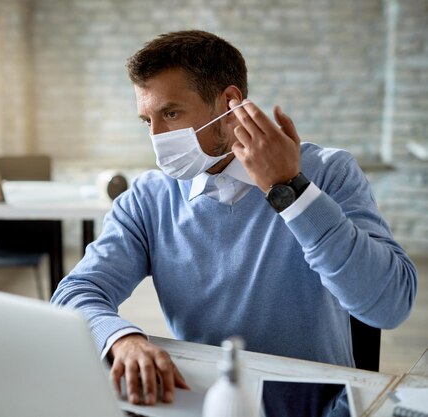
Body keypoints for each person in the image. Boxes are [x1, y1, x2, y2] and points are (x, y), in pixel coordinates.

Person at [50, 30, 417, 409]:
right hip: (206, 403)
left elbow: (390, 305)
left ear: (229, 103)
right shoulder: (148, 199)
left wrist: (291, 189)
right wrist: (120, 339)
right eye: (147, 121)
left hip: (314, 406)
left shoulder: (327, 172)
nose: (156, 137)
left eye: (171, 113)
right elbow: (75, 293)